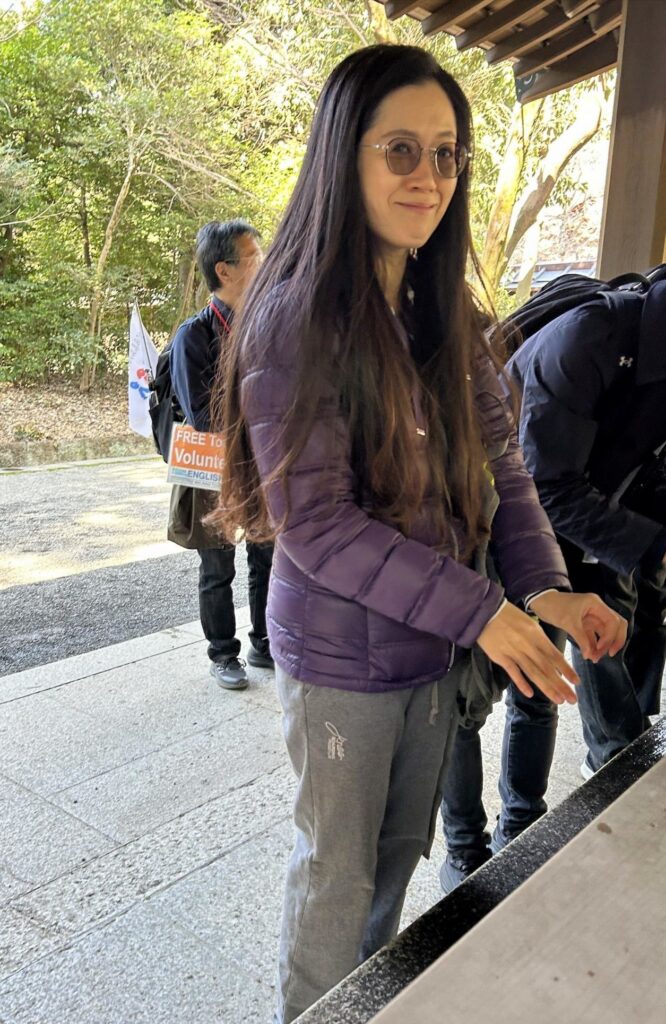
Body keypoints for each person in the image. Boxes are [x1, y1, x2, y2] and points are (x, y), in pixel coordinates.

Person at [209, 46, 626, 1023]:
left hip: (430, 652)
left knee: (395, 866)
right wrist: (483, 610)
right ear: (342, 155)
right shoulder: (295, 317)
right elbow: (315, 524)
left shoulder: (443, 310)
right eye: (400, 150)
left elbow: (504, 468)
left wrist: (546, 588)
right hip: (339, 660)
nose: (428, 177)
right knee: (336, 877)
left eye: (446, 154)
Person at [440, 281, 666, 890]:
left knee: (541, 683)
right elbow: (535, 485)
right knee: (463, 700)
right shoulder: (588, 340)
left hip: (575, 528)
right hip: (490, 529)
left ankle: (522, 829)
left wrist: (554, 594)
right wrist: (495, 606)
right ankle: (464, 851)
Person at [170, 219, 274, 690]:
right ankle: (223, 654)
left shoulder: (265, 325)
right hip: (211, 467)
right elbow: (203, 415)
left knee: (265, 556)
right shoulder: (193, 336)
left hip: (261, 463)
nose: (263, 263)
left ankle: (264, 642)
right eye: (253, 257)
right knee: (217, 566)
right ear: (224, 271)